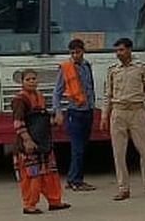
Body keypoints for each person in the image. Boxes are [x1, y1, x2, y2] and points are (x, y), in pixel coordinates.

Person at [101, 38, 145, 200]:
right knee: (119, 153)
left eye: (121, 50)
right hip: (118, 112)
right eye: (117, 50)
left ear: (129, 50)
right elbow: (108, 94)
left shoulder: (141, 68)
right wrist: (104, 115)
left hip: (137, 111)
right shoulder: (113, 70)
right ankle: (123, 188)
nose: (118, 53)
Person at [11, 69, 71, 215]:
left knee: (51, 173)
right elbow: (18, 123)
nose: (32, 82)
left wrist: (55, 121)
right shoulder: (20, 100)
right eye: (28, 79)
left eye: (34, 79)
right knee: (32, 176)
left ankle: (54, 201)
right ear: (22, 82)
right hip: (28, 145)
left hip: (44, 143)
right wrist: (27, 140)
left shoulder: (40, 97)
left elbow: (41, 121)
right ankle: (29, 205)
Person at [52, 39, 97, 192]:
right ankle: (76, 181)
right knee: (77, 148)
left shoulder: (87, 66)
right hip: (74, 113)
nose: (75, 55)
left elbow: (90, 88)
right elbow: (57, 93)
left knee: (82, 147)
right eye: (72, 53)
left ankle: (73, 178)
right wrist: (58, 112)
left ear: (83, 51)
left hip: (88, 111)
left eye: (77, 52)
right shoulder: (65, 68)